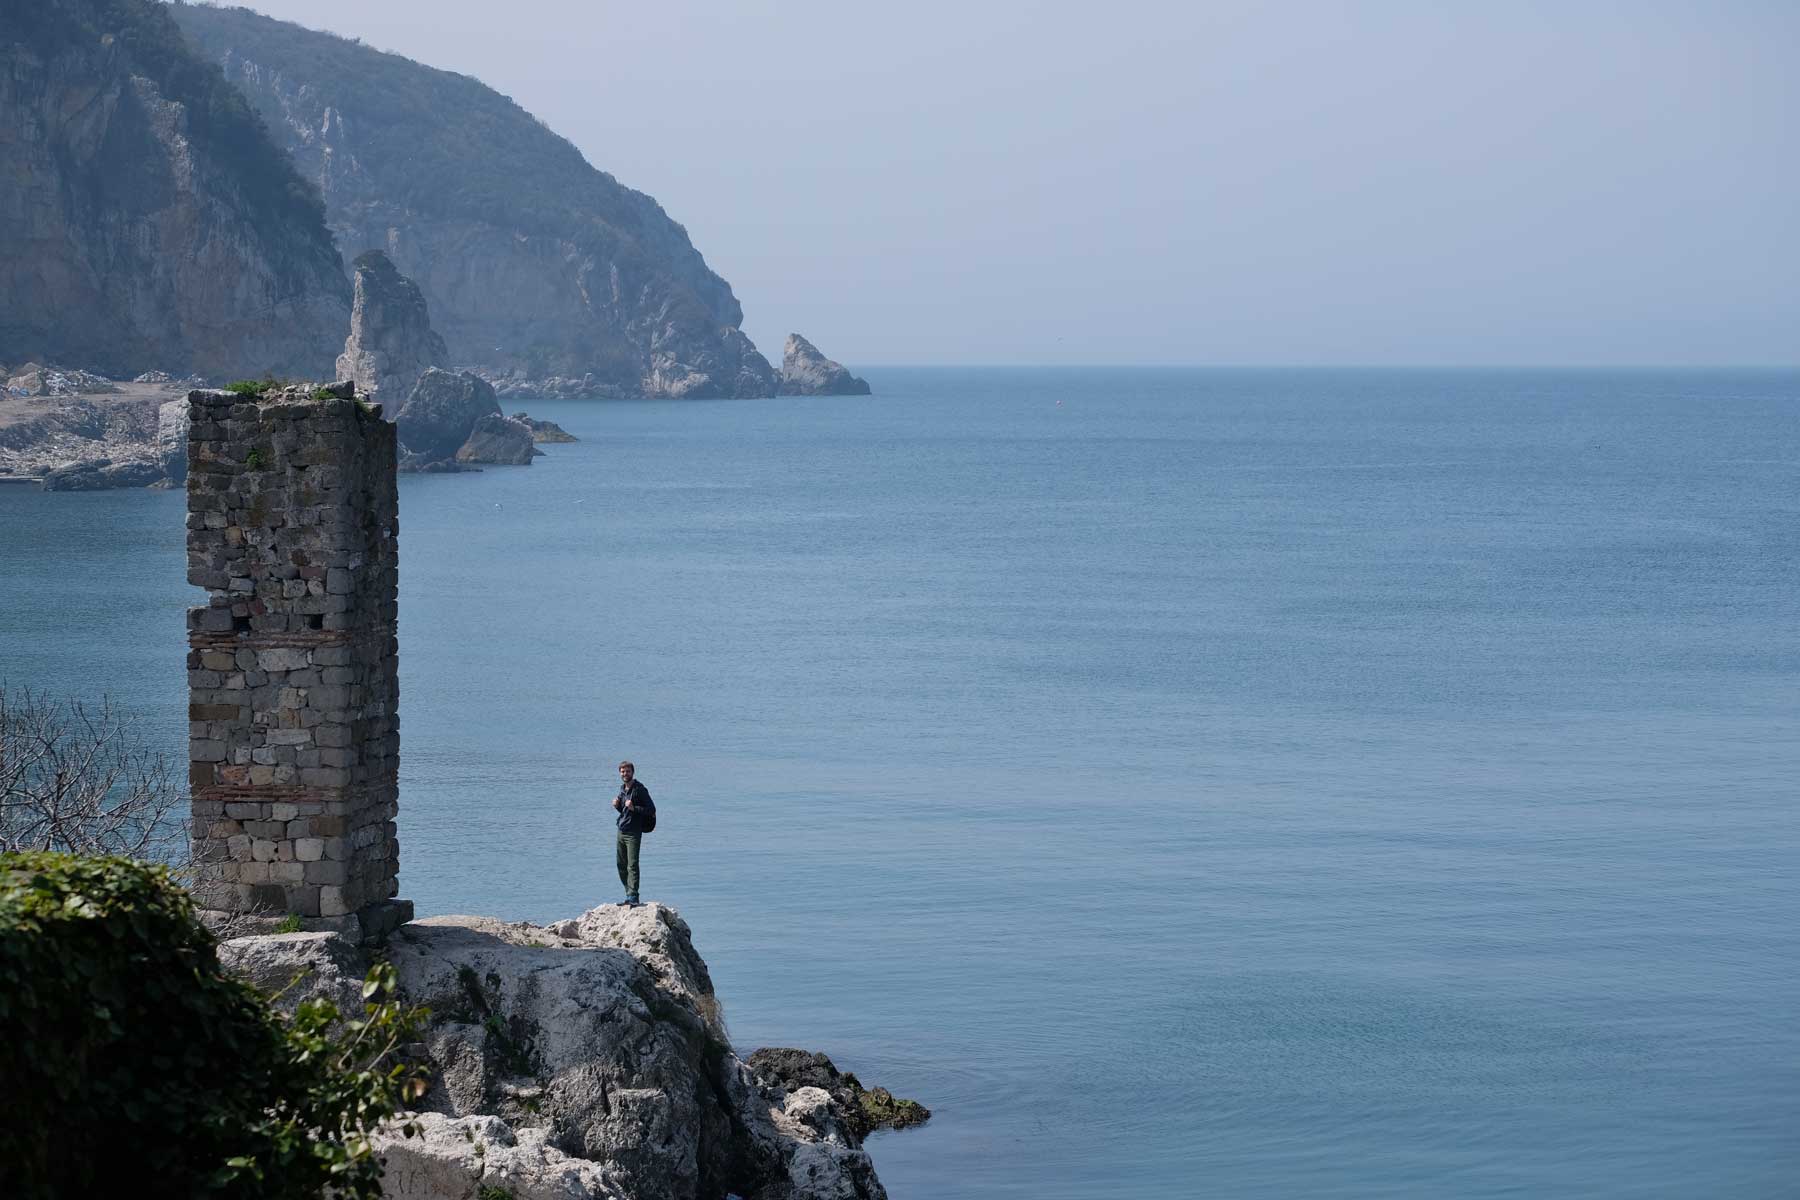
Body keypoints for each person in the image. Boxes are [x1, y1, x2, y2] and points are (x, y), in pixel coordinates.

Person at [612, 760, 654, 905]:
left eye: (627, 771)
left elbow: (651, 810)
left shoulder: (640, 789)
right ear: (620, 773)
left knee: (632, 864)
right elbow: (625, 812)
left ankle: (633, 896)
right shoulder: (622, 789)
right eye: (622, 771)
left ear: (632, 772)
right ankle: (628, 893)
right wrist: (618, 806)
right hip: (621, 830)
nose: (625, 774)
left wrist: (634, 808)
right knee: (621, 864)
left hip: (633, 833)